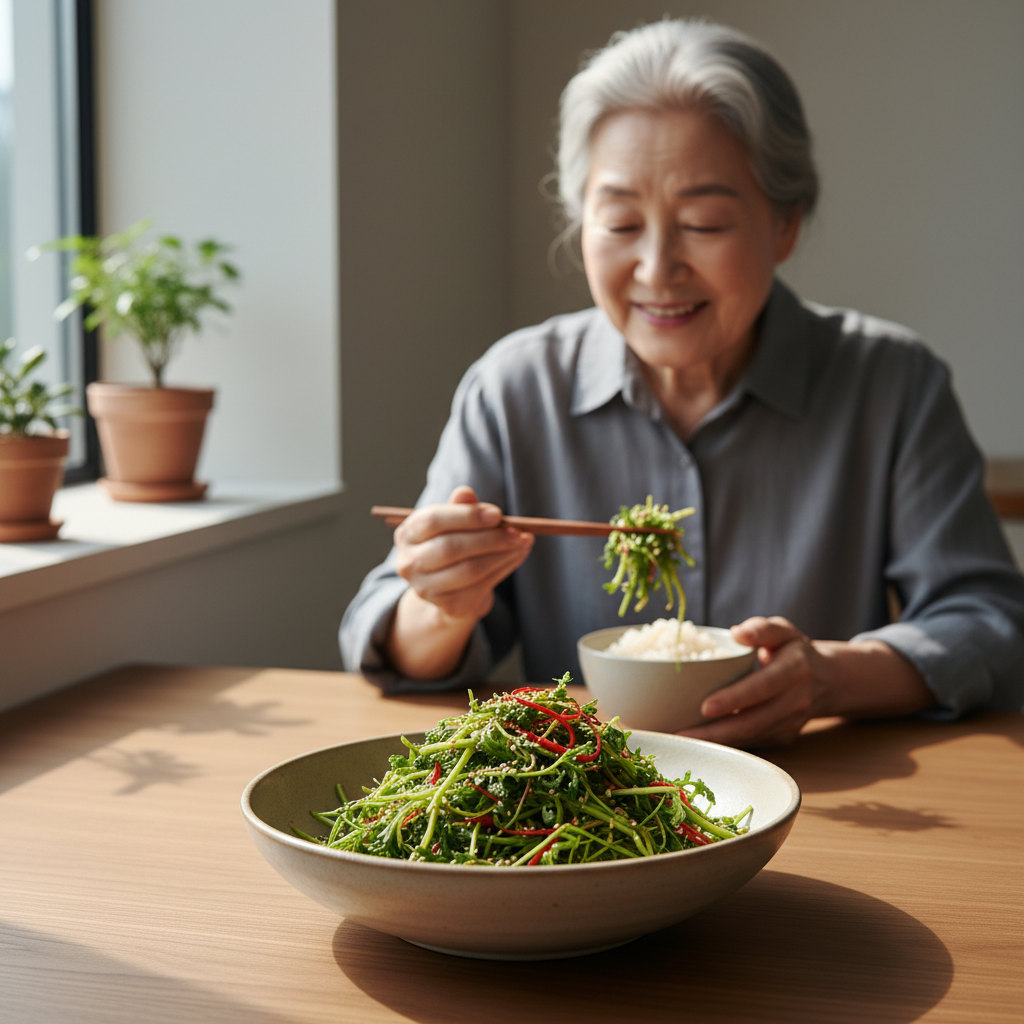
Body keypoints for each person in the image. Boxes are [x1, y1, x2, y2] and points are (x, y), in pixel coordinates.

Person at [341, 20, 1024, 747]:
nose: (658, 267)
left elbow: (988, 619)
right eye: (622, 222)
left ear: (785, 224)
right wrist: (444, 600)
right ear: (581, 227)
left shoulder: (891, 382)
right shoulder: (515, 387)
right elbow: (384, 638)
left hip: (823, 789)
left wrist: (828, 675)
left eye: (702, 222)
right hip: (584, 811)